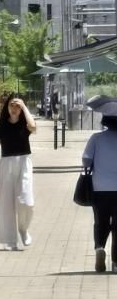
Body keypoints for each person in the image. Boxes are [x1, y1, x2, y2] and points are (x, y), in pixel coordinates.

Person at [0, 94, 37, 250]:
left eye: (17, 106)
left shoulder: (24, 123)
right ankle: (9, 240)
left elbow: (33, 127)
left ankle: (23, 228)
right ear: (7, 107)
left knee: (26, 201)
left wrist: (24, 107)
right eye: (11, 105)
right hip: (6, 164)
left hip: (24, 163)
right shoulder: (1, 124)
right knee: (6, 204)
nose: (14, 109)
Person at [82, 95, 117, 273]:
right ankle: (116, 262)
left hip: (100, 188)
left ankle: (100, 248)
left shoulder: (96, 138)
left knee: (100, 221)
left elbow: (86, 161)